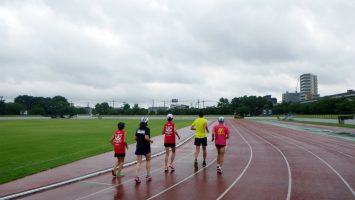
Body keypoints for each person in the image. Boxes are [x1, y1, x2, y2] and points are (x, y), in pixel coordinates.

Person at [134, 117, 153, 183]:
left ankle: (136, 176)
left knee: (138, 162)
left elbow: (135, 138)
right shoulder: (147, 129)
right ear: (146, 122)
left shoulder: (138, 129)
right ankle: (148, 176)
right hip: (146, 147)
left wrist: (139, 139)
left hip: (139, 147)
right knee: (148, 161)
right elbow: (146, 137)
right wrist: (151, 140)